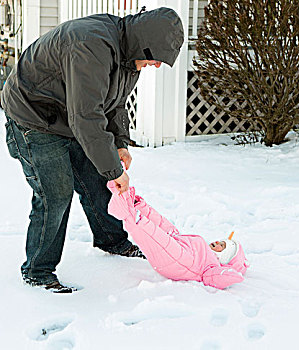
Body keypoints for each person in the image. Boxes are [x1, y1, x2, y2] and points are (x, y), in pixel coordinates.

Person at [1, 7, 184, 293]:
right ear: (145, 42)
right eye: (156, 57)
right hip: (33, 115)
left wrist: (119, 143)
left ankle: (112, 241)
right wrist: (113, 167)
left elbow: (114, 103)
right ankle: (37, 271)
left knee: (99, 181)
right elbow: (86, 117)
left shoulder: (128, 54)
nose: (156, 65)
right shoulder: (90, 45)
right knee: (55, 192)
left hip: (67, 115)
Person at [107, 183, 249, 289]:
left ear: (224, 257)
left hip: (182, 260)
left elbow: (214, 277)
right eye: (221, 241)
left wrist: (229, 275)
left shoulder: (211, 266)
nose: (217, 242)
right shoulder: (205, 251)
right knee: (165, 227)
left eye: (222, 246)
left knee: (155, 236)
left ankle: (131, 214)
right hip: (181, 245)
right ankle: (136, 205)